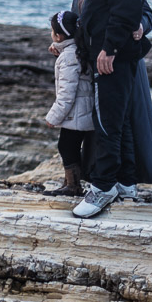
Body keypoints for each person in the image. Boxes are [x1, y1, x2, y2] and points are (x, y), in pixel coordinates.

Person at [64, 0, 152, 194]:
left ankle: (120, 182)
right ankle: (80, 180)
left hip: (118, 58)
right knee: (92, 122)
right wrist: (62, 41)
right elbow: (79, 21)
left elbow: (143, 10)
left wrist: (141, 26)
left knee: (122, 122)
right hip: (90, 60)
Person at [43, 10, 94, 197]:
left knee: (66, 147)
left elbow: (67, 93)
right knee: (70, 147)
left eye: (52, 32)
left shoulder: (68, 57)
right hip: (83, 112)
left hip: (75, 114)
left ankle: (73, 185)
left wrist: (53, 117)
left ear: (59, 35)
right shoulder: (78, 50)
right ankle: (71, 182)